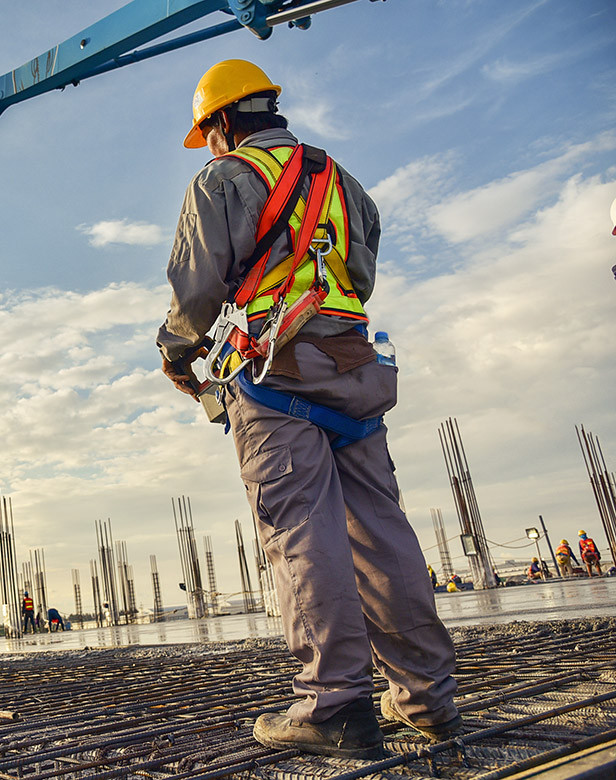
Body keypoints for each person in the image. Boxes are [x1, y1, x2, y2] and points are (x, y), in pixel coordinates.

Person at [156, 60, 459, 758]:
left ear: (223, 120)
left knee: (302, 534)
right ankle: (429, 700)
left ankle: (336, 705)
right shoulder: (343, 183)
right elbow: (360, 274)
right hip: (353, 368)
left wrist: (176, 352)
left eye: (207, 133)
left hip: (273, 375)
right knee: (382, 533)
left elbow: (198, 285)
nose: (207, 146)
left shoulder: (224, 179)